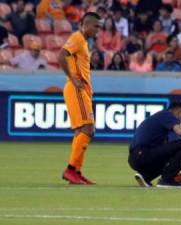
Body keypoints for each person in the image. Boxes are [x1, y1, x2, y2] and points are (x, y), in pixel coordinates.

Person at [58, 12, 101, 185]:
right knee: (88, 129)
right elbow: (61, 55)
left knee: (82, 131)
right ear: (86, 24)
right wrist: (73, 78)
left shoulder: (83, 42)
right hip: (77, 89)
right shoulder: (77, 38)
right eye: (95, 26)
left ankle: (75, 171)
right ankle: (70, 170)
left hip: (82, 90)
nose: (97, 30)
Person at [128, 102, 181, 188]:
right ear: (178, 112)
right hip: (142, 154)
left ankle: (145, 177)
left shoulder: (161, 124)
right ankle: (167, 180)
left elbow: (169, 152)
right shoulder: (167, 114)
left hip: (135, 158)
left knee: (172, 154)